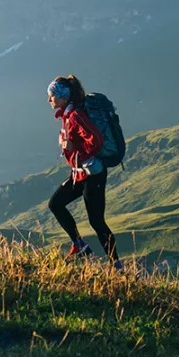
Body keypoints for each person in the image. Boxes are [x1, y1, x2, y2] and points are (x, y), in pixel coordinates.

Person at [47, 75, 122, 269]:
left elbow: (96, 140)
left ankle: (117, 267)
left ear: (63, 97)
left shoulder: (76, 116)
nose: (49, 100)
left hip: (92, 175)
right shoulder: (68, 115)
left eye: (52, 96)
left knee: (96, 222)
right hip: (79, 173)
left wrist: (75, 148)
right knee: (56, 204)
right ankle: (79, 245)